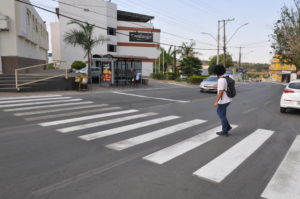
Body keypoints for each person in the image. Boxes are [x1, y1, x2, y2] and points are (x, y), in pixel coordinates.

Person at [213, 65, 232, 136]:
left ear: (216, 72)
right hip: (227, 100)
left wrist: (216, 101)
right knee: (223, 115)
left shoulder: (221, 80)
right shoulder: (224, 78)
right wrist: (211, 86)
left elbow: (220, 91)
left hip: (223, 101)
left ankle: (225, 130)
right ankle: (227, 127)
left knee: (221, 114)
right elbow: (222, 87)